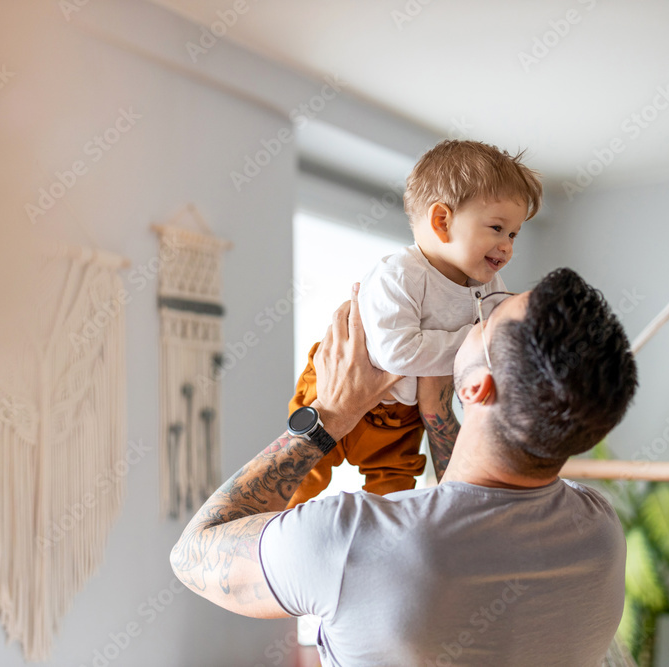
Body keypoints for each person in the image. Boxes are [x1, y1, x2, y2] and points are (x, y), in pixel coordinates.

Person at [171, 267, 639, 666]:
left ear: (477, 389)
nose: (476, 316)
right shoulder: (599, 532)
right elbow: (475, 497)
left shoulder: (351, 540)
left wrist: (330, 415)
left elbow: (193, 553)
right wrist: (435, 408)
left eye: (489, 316)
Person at [287, 139, 543, 508]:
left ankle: (380, 553)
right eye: (497, 228)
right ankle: (264, 535)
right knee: (304, 477)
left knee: (397, 492)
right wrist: (474, 338)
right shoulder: (401, 274)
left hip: (400, 414)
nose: (507, 246)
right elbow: (399, 353)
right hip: (335, 385)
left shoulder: (488, 284)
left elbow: (499, 340)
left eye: (513, 234)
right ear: (442, 221)